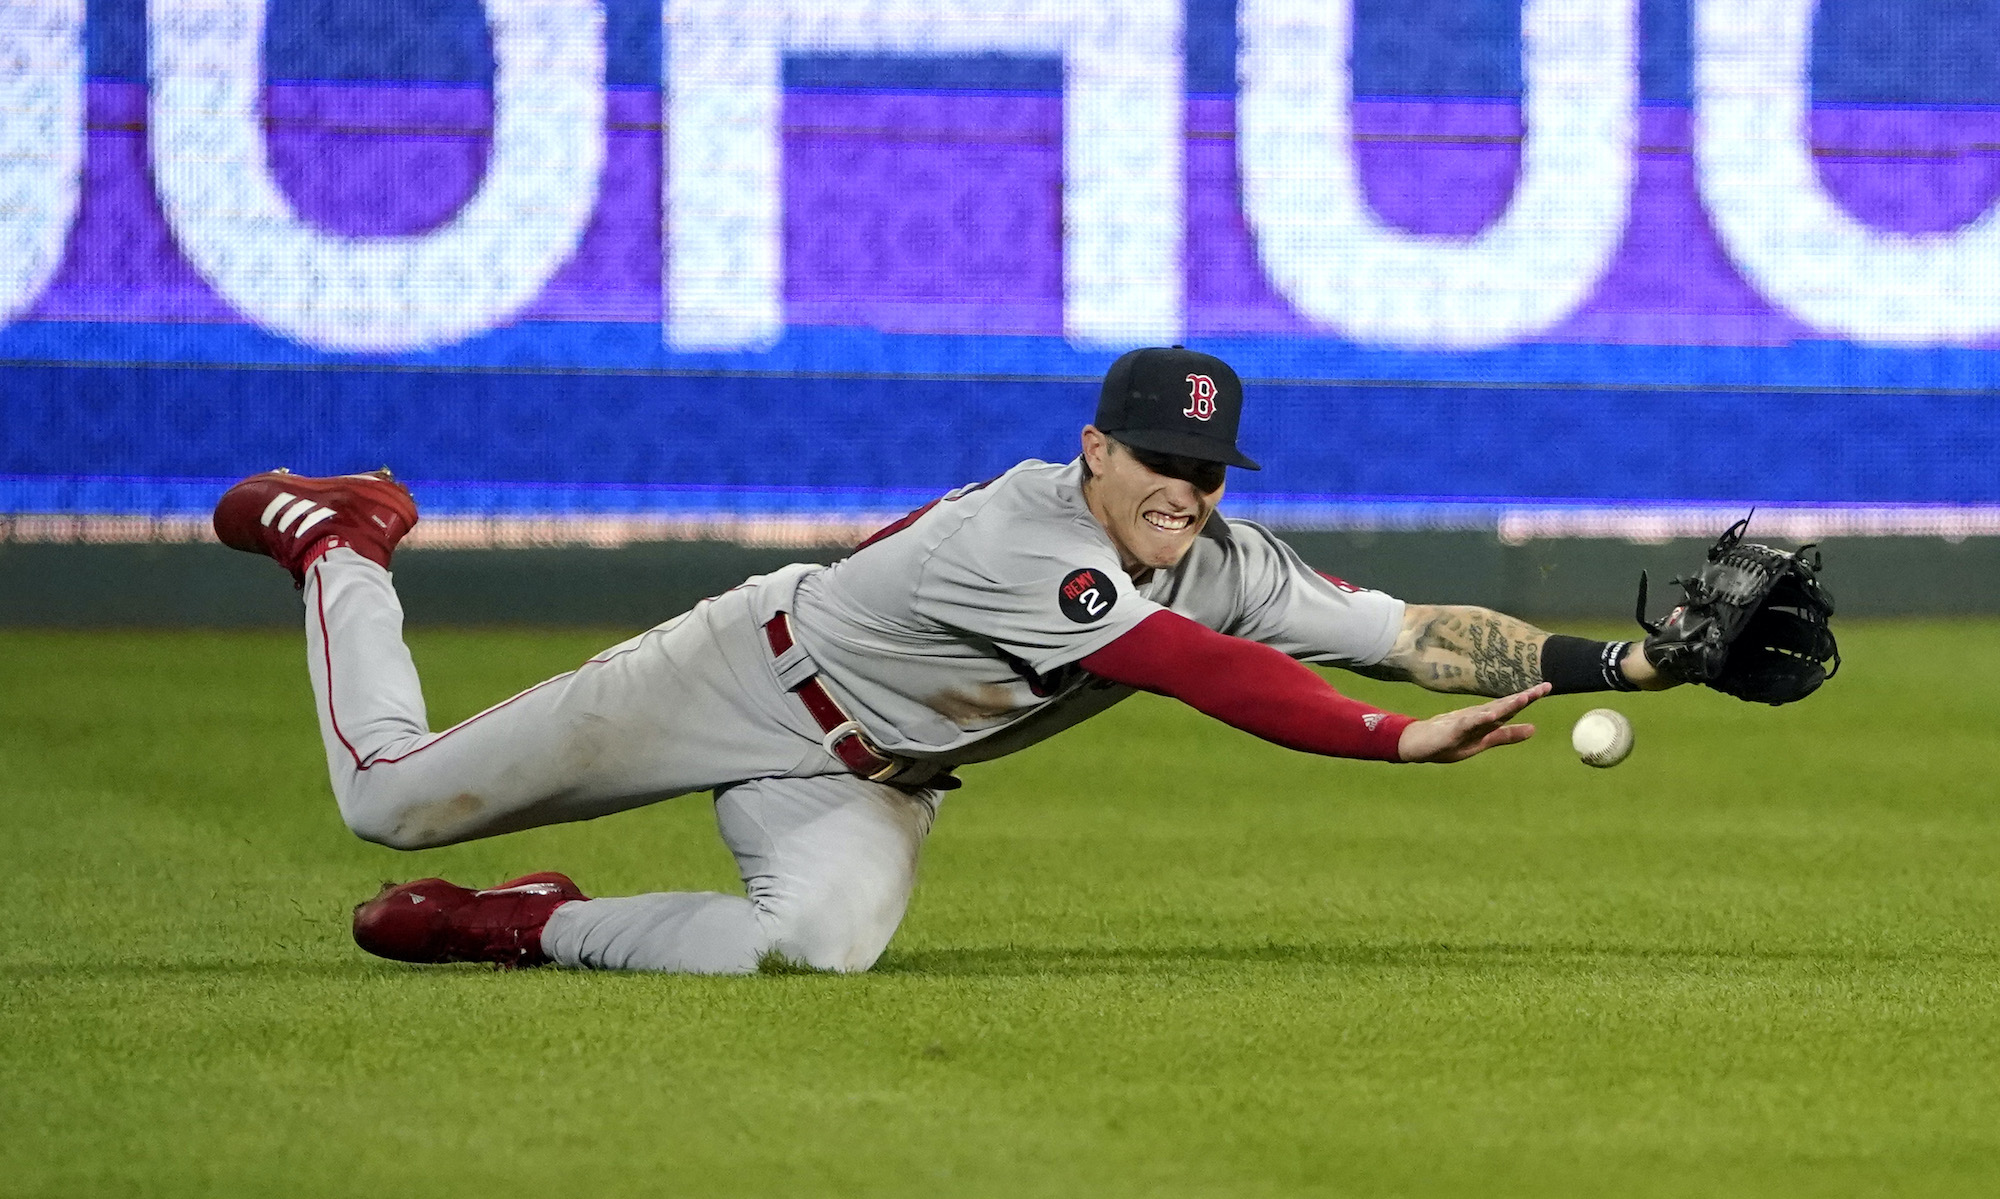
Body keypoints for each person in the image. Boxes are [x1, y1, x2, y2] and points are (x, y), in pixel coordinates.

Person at [212, 347, 1671, 974]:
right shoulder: (1022, 532)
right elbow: (1187, 668)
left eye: (1210, 466)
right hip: (741, 676)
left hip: (874, 778)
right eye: (1160, 456)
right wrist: (1384, 744)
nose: (1188, 486)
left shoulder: (1228, 555)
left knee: (810, 954)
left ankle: (518, 926)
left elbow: (1417, 634)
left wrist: (1636, 659)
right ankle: (343, 544)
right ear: (1097, 449)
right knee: (385, 802)